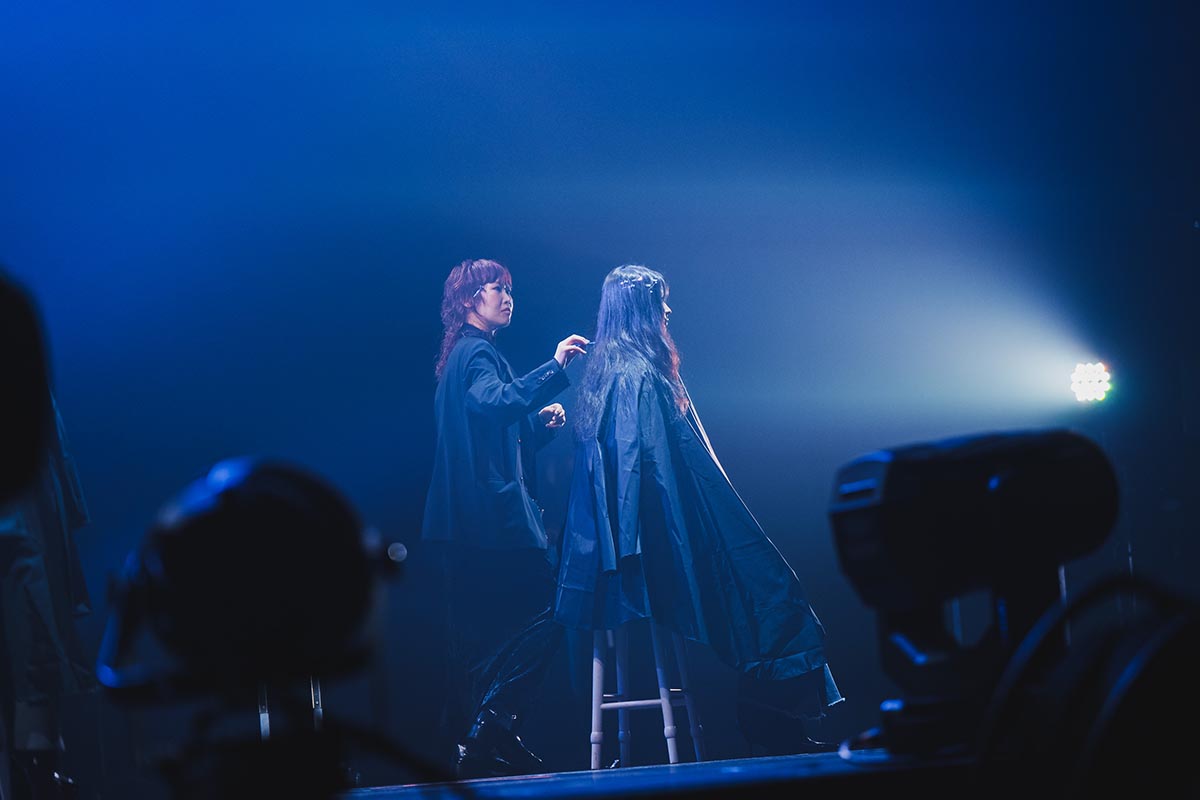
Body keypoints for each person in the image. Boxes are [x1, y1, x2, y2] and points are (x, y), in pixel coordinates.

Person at [555, 264, 843, 756]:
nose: (668, 310)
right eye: (659, 301)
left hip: (646, 538)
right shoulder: (638, 375)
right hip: (659, 543)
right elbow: (658, 474)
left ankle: (771, 710)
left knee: (766, 581)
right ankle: (769, 712)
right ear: (639, 310)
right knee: (772, 586)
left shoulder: (610, 372)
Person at [421, 258, 589, 779]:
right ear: (469, 299)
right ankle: (491, 726)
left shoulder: (465, 356)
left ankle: (483, 739)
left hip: (468, 526)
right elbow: (494, 404)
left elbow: (492, 430)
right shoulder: (475, 354)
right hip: (490, 525)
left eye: (509, 289)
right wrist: (554, 368)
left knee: (482, 641)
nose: (507, 297)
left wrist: (537, 426)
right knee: (559, 609)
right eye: (497, 288)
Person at [0, 392, 94, 799]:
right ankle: (39, 772)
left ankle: (40, 773)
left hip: (25, 524)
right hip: (24, 527)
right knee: (31, 656)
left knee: (32, 657)